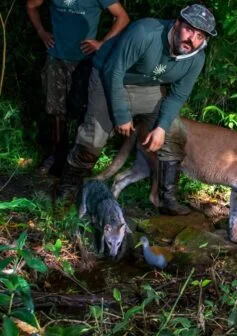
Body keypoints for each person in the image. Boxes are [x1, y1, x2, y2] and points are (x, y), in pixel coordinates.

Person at [57, 4, 217, 216]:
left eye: (200, 35)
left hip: (147, 87)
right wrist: (121, 115)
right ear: (177, 23)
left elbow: (178, 95)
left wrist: (160, 128)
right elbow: (113, 71)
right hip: (108, 76)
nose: (192, 40)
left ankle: (165, 198)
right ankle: (68, 190)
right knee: (93, 138)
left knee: (173, 132)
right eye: (189, 30)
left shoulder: (197, 57)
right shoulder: (145, 32)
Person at [27, 0, 130, 176]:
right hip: (56, 58)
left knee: (83, 111)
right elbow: (31, 5)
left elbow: (122, 17)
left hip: (85, 61)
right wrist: (41, 32)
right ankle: (55, 156)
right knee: (55, 111)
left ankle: (76, 161)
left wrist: (102, 43)